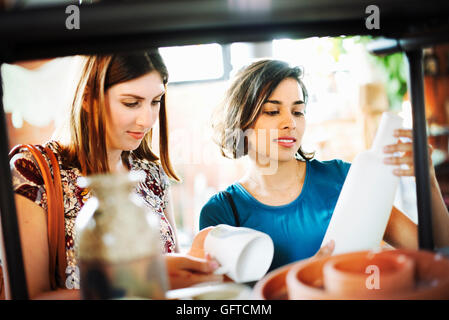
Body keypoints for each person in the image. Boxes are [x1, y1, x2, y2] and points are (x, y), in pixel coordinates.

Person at [200, 59, 449, 272]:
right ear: (241, 120)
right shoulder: (220, 213)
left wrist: (428, 178)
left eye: (298, 112)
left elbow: (437, 252)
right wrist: (304, 279)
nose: (290, 123)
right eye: (273, 112)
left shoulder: (344, 178)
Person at [9, 51, 222, 299]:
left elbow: (167, 273)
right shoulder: (32, 171)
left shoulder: (151, 174)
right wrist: (140, 280)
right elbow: (27, 296)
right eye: (131, 103)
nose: (148, 120)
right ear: (88, 98)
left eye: (156, 101)